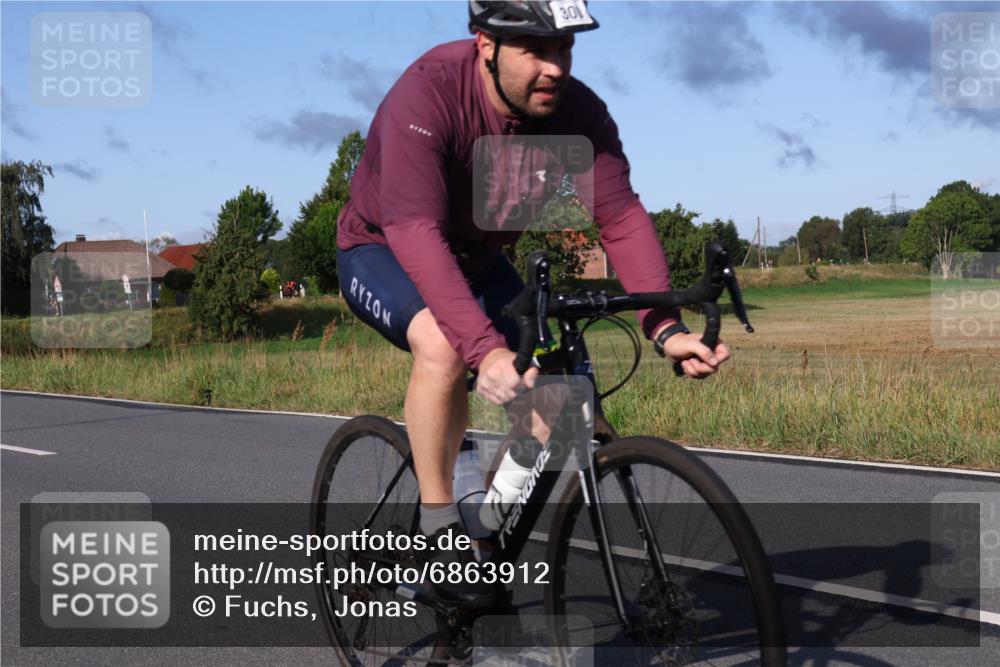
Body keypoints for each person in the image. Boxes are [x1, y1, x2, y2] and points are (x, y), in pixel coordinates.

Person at [336, 0, 730, 606]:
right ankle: (441, 531)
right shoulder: (428, 94)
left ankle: (487, 526)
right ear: (485, 45)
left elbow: (619, 216)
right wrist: (484, 349)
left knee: (556, 394)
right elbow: (415, 229)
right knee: (444, 346)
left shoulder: (576, 112)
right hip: (381, 248)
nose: (555, 68)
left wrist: (664, 325)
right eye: (537, 50)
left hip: (479, 261)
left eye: (565, 49)